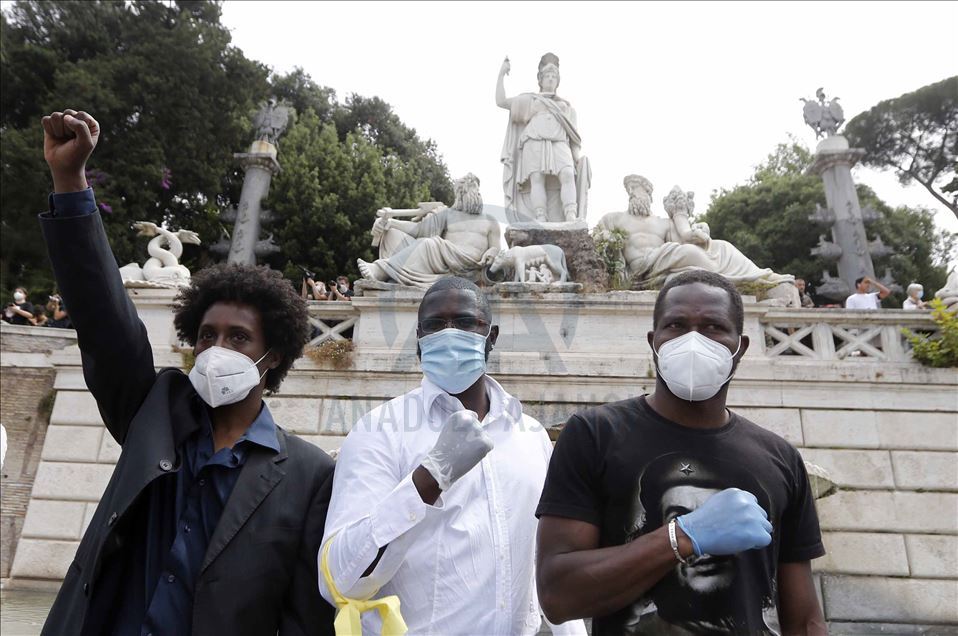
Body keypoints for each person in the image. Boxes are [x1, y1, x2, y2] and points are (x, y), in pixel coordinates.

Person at [38, 109, 335, 636]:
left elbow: (302, 619)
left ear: (273, 360)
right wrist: (70, 181)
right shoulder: (153, 412)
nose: (216, 348)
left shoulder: (309, 475)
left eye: (238, 338)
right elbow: (102, 315)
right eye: (206, 335)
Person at [536, 270, 826, 635]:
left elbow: (805, 619)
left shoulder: (780, 459)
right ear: (653, 340)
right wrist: (682, 536)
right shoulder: (595, 434)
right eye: (676, 325)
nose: (693, 339)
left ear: (741, 346)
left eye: (713, 327)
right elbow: (557, 595)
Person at [319, 276, 586, 636]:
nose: (448, 334)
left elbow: (547, 559)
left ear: (490, 336)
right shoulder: (378, 431)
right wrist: (429, 478)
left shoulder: (531, 436)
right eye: (434, 325)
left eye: (463, 322)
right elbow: (339, 581)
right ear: (419, 339)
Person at [596, 177, 793, 291]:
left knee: (722, 247)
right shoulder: (614, 219)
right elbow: (596, 241)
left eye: (641, 191)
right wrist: (606, 239)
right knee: (686, 253)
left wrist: (699, 228)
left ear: (650, 196)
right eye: (632, 191)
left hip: (665, 259)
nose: (635, 194)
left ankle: (760, 276)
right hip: (640, 269)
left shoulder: (662, 223)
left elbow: (686, 238)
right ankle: (730, 279)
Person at [358, 173, 501, 288]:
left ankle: (380, 270)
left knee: (429, 244)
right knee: (393, 233)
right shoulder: (447, 213)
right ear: (459, 194)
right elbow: (419, 230)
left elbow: (496, 248)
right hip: (443, 261)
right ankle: (390, 272)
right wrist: (390, 223)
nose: (472, 193)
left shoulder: (490, 220)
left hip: (469, 265)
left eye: (475, 188)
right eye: (465, 190)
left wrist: (493, 251)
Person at [497, 53, 587, 222]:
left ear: (558, 80)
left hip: (559, 142)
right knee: (537, 178)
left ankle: (570, 214)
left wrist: (577, 158)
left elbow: (573, 137)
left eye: (554, 76)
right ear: (540, 79)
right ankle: (540, 216)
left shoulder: (567, 107)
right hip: (534, 141)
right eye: (547, 76)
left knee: (567, 174)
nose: (551, 79)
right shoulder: (530, 100)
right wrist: (501, 74)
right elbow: (501, 101)